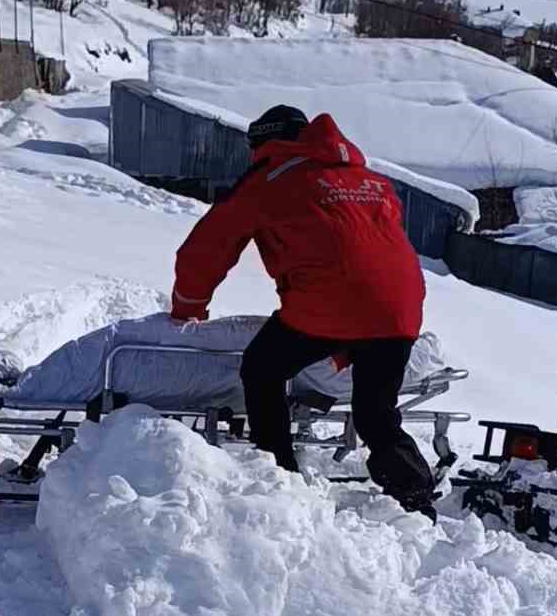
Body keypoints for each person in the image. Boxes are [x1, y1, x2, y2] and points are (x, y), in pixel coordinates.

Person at [171, 105, 436, 517]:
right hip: (399, 309)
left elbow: (209, 247)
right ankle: (416, 499)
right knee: (375, 412)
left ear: (265, 141)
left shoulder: (269, 178)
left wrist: (188, 307)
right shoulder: (372, 181)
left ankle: (279, 477)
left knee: (262, 369)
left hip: (329, 303)